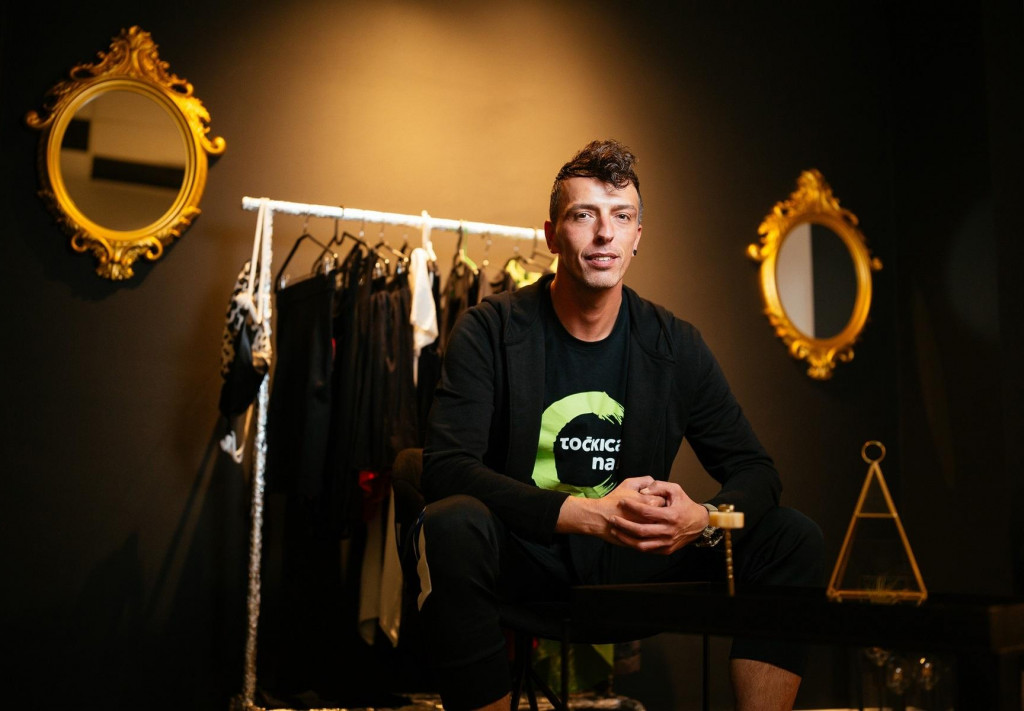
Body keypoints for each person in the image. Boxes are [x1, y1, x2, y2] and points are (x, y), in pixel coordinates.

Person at [413, 139, 824, 711]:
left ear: (637, 236)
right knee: (453, 521)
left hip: (636, 564)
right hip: (528, 563)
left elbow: (756, 471)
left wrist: (703, 520)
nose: (605, 234)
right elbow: (445, 468)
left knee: (792, 535)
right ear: (552, 234)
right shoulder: (490, 330)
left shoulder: (675, 343)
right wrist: (590, 515)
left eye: (621, 217)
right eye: (584, 215)